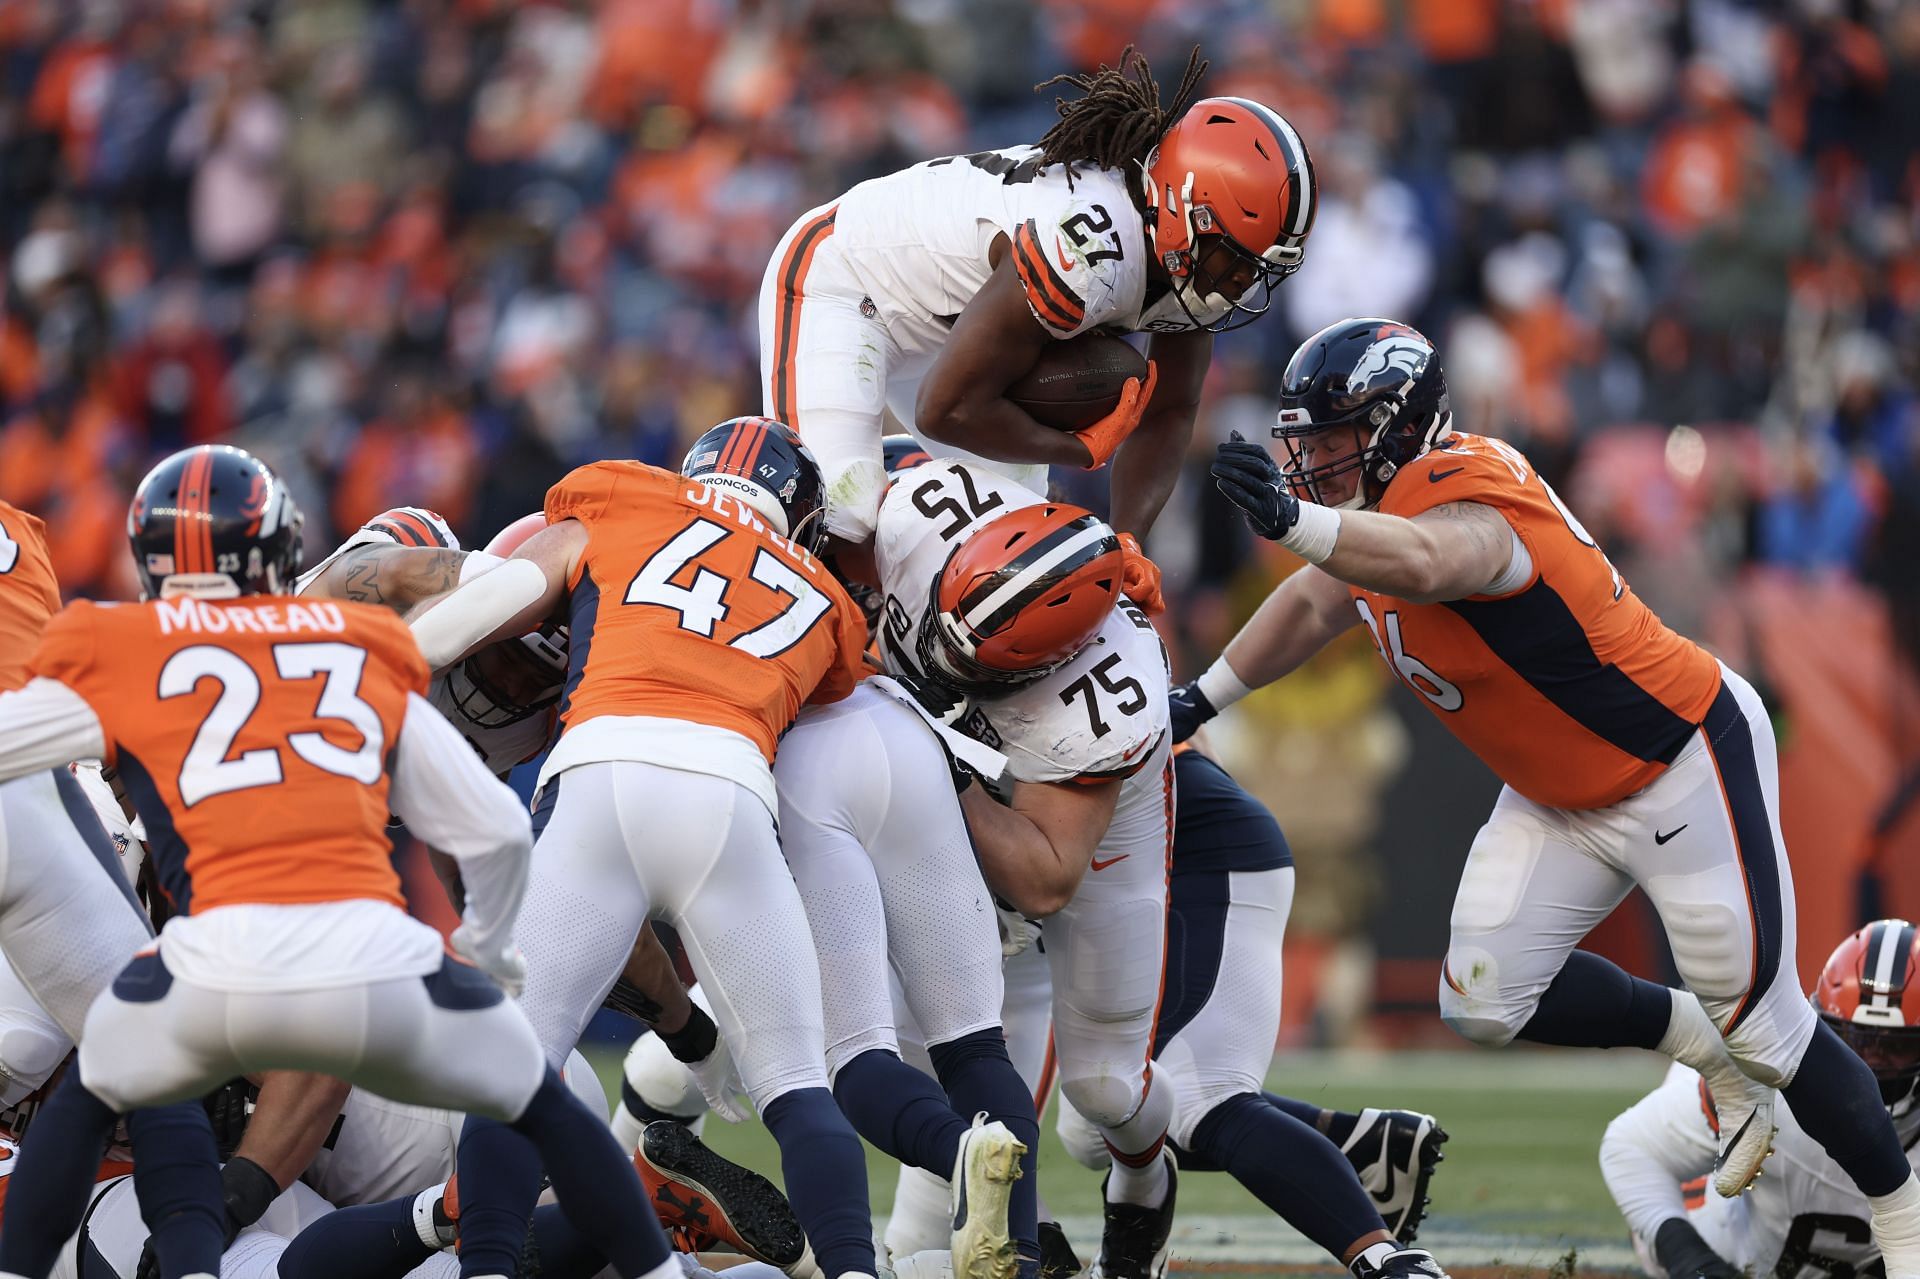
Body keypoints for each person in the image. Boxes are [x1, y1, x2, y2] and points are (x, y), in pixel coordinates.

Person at [1170, 317, 1920, 1275]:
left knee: (1770, 1027)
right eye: (1303, 442)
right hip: (1559, 794)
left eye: (1331, 437)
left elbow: (1438, 562)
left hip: (1678, 758)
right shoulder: (1364, 530)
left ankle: (1905, 1229)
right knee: (1482, 995)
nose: (1312, 461)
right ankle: (1697, 1039)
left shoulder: (1463, 486)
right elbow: (1321, 597)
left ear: (1399, 426)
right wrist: (1204, 693)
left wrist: (1296, 521)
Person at [0, 445, 678, 1279]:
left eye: (514, 678)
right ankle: (612, 1233)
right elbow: (501, 841)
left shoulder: (160, 657)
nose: (493, 694)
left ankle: (517, 1224)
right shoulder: (354, 663)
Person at [402, 418, 915, 1279]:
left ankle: (483, 1268)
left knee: (520, 1062)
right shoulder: (823, 597)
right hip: (730, 797)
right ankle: (855, 1271)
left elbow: (485, 605)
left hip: (602, 769)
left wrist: (381, 662)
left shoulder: (623, 495)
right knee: (796, 1084)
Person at [759, 45, 1315, 594]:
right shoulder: (1089, 248)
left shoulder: (1183, 261)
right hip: (847, 280)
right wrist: (1079, 451)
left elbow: (1170, 408)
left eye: (1259, 270)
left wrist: (1129, 540)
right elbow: (945, 410)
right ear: (1182, 207)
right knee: (836, 520)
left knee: (1016, 562)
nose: (1241, 285)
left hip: (958, 330)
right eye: (1235, 261)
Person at [862, 460, 1174, 1279]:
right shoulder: (913, 516)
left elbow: (1045, 875)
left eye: (981, 664)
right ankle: (1006, 1228)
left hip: (1080, 826)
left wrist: (936, 762)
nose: (944, 660)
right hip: (975, 774)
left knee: (1107, 1087)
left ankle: (1144, 1175)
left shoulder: (1105, 692)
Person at [1051, 740, 1450, 1279]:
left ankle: (1389, 1262)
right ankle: (1361, 1144)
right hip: (1126, 868)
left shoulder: (1007, 687)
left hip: (1195, 858)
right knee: (1095, 1122)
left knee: (1198, 1101)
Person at [1602, 919, 1920, 1279]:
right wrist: (1690, 1258)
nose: (1872, 1063)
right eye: (1857, 1041)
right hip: (1731, 1245)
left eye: (1896, 1047)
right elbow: (1630, 1147)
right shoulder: (1774, 1090)